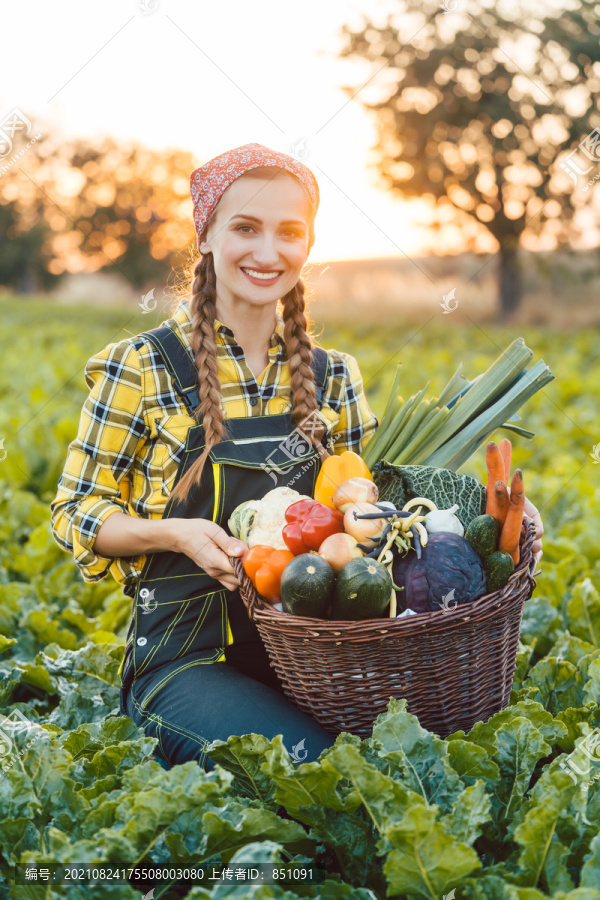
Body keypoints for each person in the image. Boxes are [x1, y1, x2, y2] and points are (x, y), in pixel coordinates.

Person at [50, 142, 544, 772]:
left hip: (325, 660)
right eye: (245, 228)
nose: (267, 251)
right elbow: (76, 512)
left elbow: (372, 509)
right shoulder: (142, 367)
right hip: (187, 659)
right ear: (206, 237)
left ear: (308, 244)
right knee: (321, 775)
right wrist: (176, 535)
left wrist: (502, 522)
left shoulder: (334, 375)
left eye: (289, 231)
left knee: (414, 765)